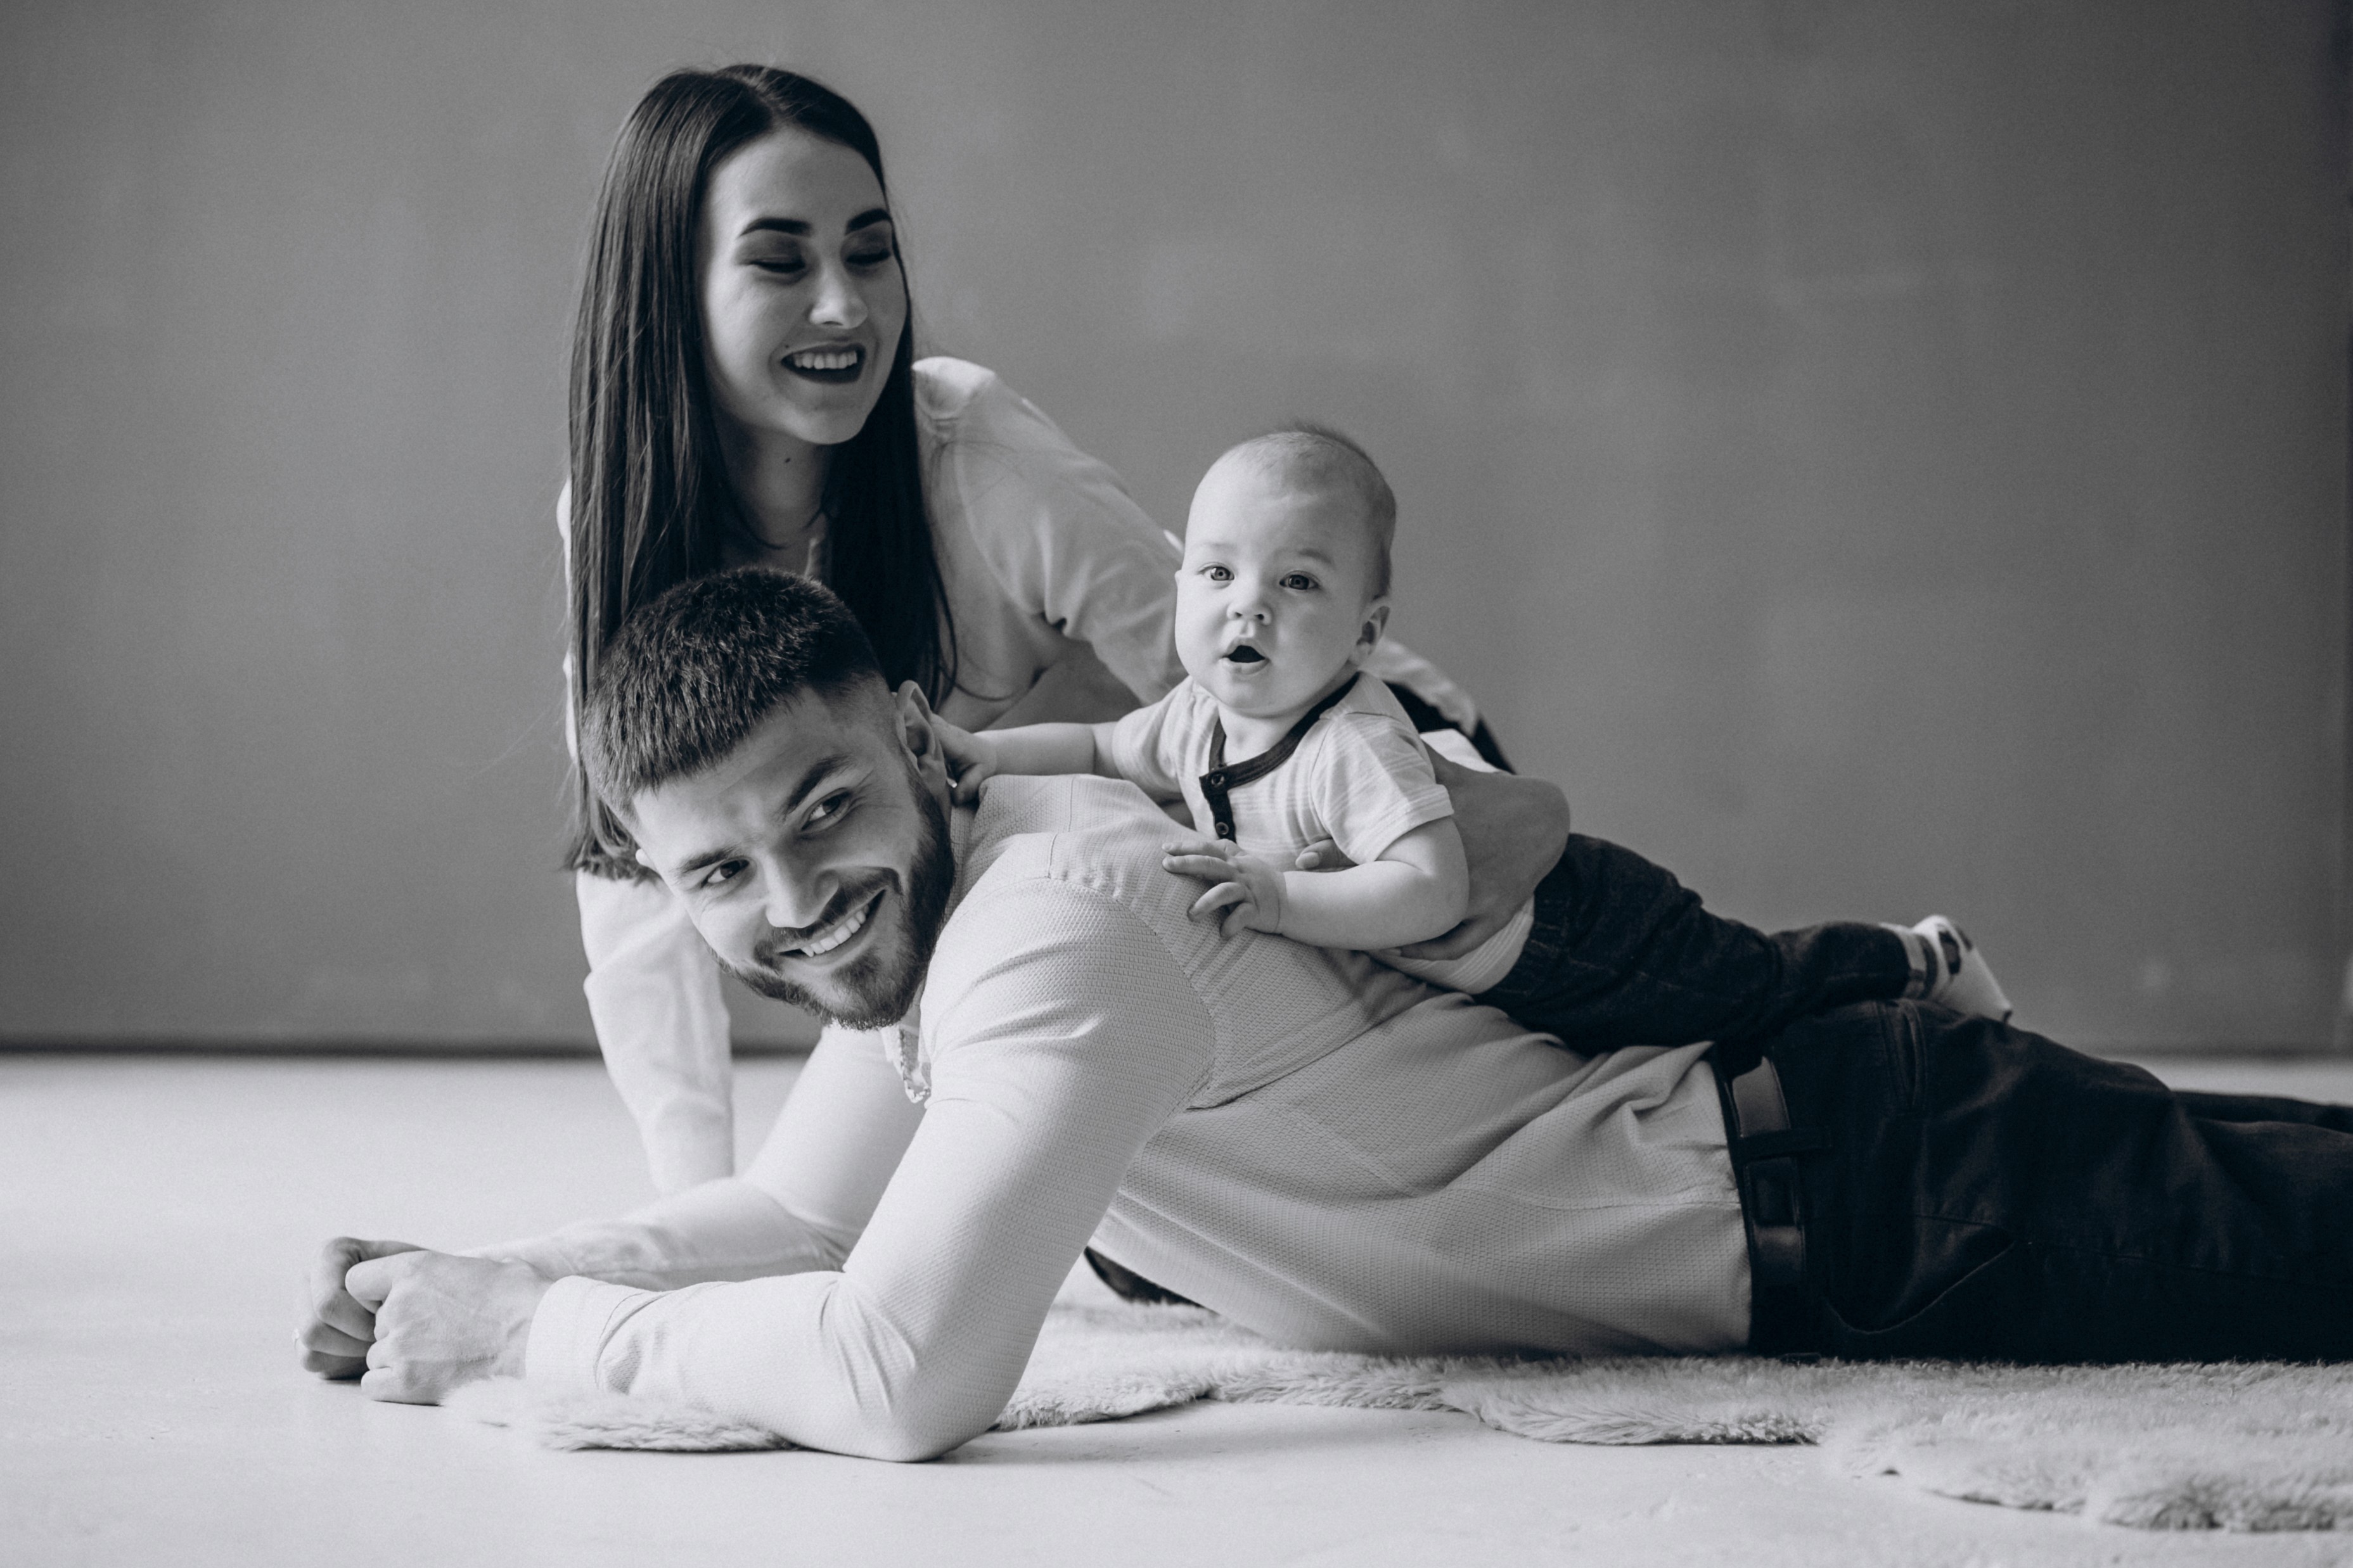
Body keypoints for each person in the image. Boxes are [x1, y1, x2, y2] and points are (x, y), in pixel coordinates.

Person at [297, 571, 2353, 1462]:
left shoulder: (1051, 917)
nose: (790, 897)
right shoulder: (939, 911)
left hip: (1859, 1176)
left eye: (820, 807)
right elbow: (807, 1211)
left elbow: (903, 1367)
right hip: (1818, 1160)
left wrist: (544, 1336)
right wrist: (481, 1271)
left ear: (922, 747)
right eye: (716, 873)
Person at [556, 66, 1508, 1195]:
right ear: (669, 291)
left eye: (869, 251)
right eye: (779, 261)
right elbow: (637, 877)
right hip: (1118, 903)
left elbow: (1237, 686)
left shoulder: (972, 454)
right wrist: (687, 1185)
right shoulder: (621, 521)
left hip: (1373, 792)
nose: (844, 306)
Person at [940, 424, 2011, 1014]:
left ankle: (1915, 959)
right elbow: (1095, 747)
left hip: (1570, 928)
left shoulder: (1349, 741)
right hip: (1484, 964)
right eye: (1216, 571)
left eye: (1298, 583)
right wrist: (978, 755)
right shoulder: (1198, 718)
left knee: (1745, 993)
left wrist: (1277, 896)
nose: (1247, 604)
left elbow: (1428, 888)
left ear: (1366, 638)